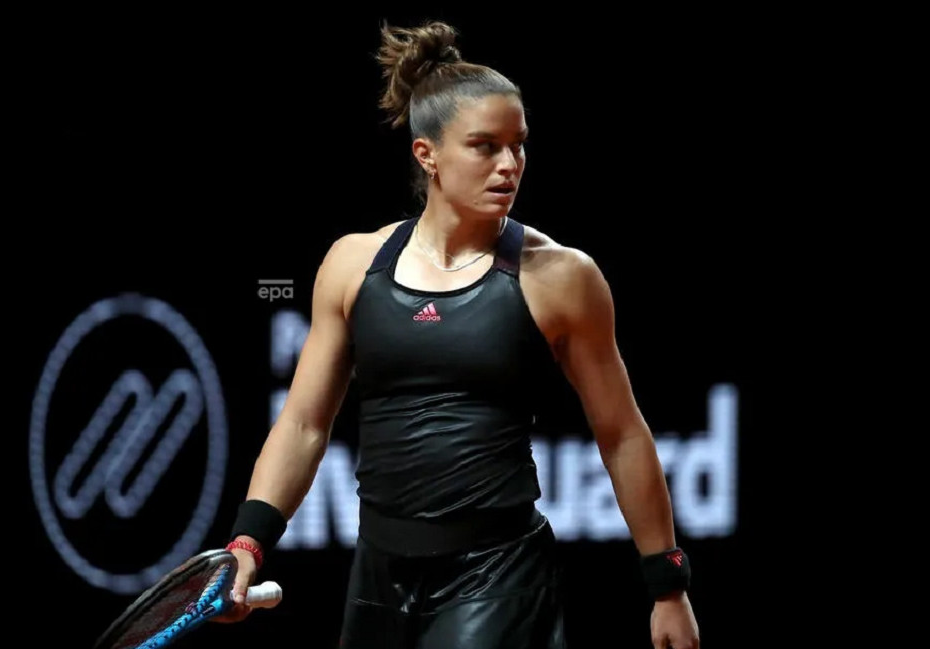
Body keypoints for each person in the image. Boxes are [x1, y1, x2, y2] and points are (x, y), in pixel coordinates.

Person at [216, 19, 700, 649]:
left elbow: (622, 433)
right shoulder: (351, 265)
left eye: (518, 145)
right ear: (428, 155)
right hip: (377, 574)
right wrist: (248, 544)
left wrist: (667, 585)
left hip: (499, 576)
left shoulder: (562, 277)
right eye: (484, 146)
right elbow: (304, 423)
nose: (509, 165)